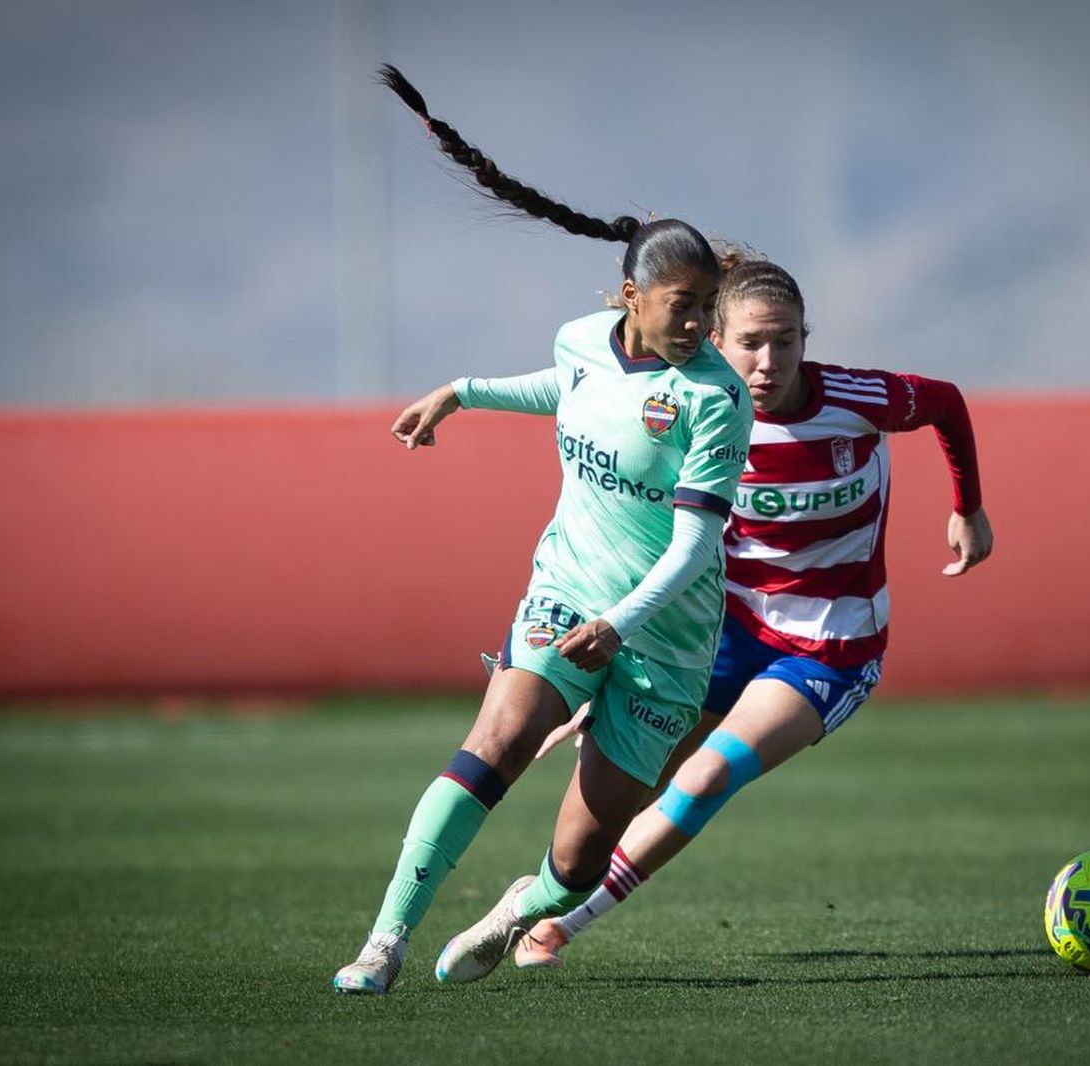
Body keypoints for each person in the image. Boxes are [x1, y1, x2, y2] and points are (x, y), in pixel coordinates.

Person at [332, 67, 754, 994]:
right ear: (629, 297)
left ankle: (519, 907)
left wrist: (622, 626)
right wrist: (461, 392)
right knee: (496, 742)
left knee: (583, 852)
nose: (698, 323)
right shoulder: (579, 340)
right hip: (566, 592)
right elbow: (567, 388)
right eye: (681, 305)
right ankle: (383, 943)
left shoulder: (717, 398)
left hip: (666, 635)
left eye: (707, 308)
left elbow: (694, 548)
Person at [511, 254, 993, 968]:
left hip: (830, 646)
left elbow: (946, 403)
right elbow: (652, 537)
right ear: (715, 339)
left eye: (786, 341)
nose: (769, 363)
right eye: (751, 344)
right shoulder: (695, 410)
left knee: (707, 775)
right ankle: (536, 897)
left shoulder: (857, 400)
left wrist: (968, 509)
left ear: (805, 338)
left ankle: (559, 926)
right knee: (634, 779)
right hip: (726, 632)